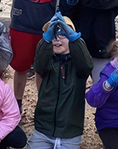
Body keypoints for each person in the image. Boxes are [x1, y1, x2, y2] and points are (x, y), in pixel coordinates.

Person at [30, 15, 93, 149]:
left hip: (70, 132)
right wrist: (45, 40)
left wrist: (75, 39)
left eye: (63, 35)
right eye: (52, 35)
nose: (57, 38)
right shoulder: (47, 62)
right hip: (43, 130)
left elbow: (87, 66)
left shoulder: (78, 64)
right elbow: (39, 64)